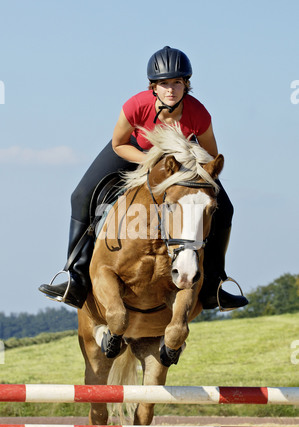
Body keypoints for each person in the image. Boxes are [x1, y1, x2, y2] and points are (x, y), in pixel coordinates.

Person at [39, 46, 248, 311]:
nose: (170, 90)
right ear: (153, 87)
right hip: (134, 152)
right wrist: (150, 163)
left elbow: (210, 154)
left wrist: (189, 168)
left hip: (180, 163)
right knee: (80, 195)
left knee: (224, 207)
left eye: (177, 82)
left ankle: (213, 284)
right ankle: (76, 277)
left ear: (187, 84)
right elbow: (119, 144)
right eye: (163, 84)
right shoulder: (136, 106)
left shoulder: (199, 113)